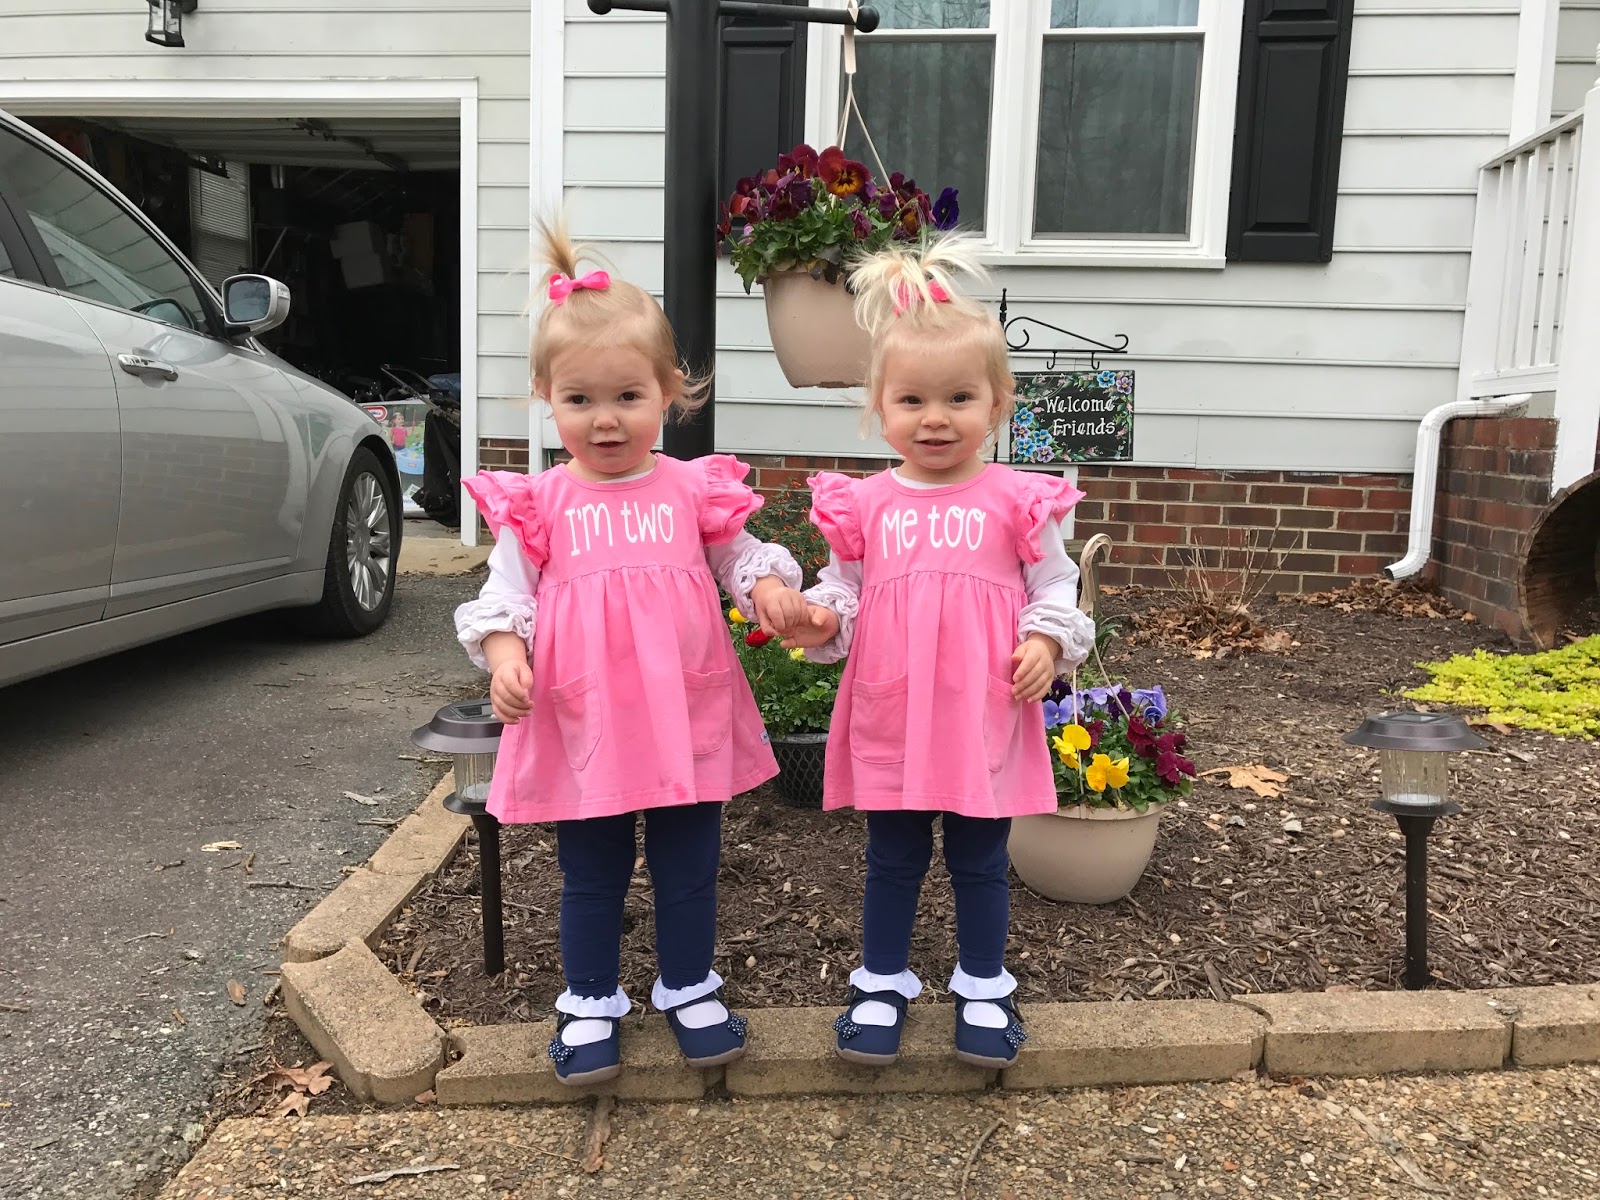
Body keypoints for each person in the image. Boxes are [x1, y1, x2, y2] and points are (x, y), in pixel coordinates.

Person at [454, 218, 807, 1085]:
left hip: (684, 714)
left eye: (627, 396)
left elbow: (741, 558)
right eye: (580, 400)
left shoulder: (691, 489)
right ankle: (589, 999)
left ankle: (689, 986)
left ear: (670, 392)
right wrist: (505, 655)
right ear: (547, 395)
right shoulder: (540, 504)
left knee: (690, 865)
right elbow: (504, 597)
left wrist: (767, 588)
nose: (605, 420)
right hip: (587, 721)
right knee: (592, 870)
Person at [782, 235, 1096, 1070]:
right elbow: (844, 591)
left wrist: (1045, 638)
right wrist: (820, 620)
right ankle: (881, 982)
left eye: (959, 397)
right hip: (893, 712)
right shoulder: (865, 505)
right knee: (892, 858)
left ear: (998, 403)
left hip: (981, 711)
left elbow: (1056, 585)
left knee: (981, 860)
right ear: (878, 407)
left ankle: (983, 984)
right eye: (912, 399)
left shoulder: (1018, 501)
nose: (935, 417)